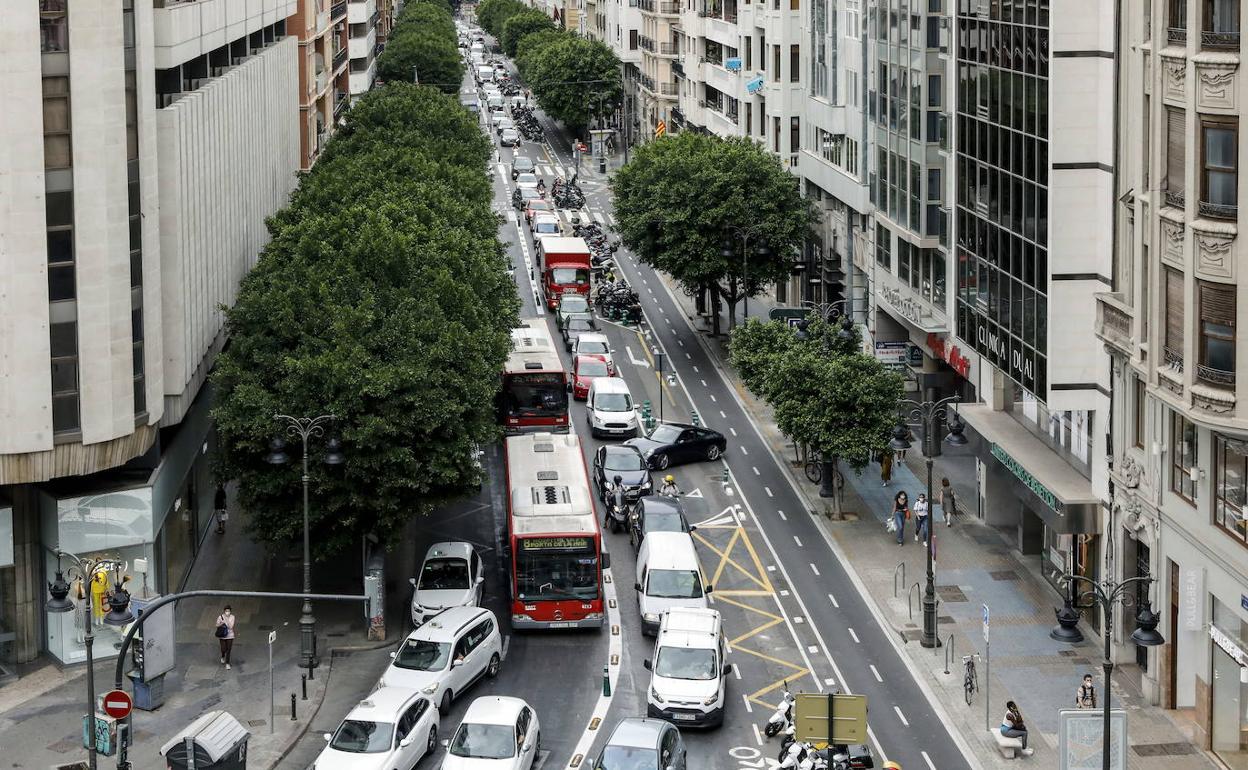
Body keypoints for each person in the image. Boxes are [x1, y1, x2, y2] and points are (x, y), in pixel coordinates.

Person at [215, 606, 236, 670]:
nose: (227, 612)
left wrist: (226, 620)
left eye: (229, 611)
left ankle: (227, 663)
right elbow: (216, 625)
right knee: (223, 648)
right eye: (226, 611)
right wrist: (221, 623)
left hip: (230, 635)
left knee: (229, 650)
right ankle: (223, 656)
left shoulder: (232, 617)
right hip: (223, 635)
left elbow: (231, 627)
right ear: (224, 611)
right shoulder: (220, 617)